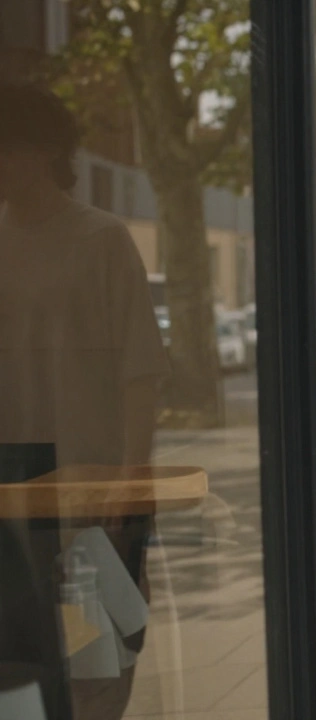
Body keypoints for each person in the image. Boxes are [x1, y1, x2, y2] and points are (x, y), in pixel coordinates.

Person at [0, 82, 169, 720]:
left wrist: (129, 480)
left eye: (6, 147)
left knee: (96, 658)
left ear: (44, 151)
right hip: (10, 492)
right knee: (17, 662)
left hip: (86, 489)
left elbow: (140, 372)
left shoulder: (100, 240)